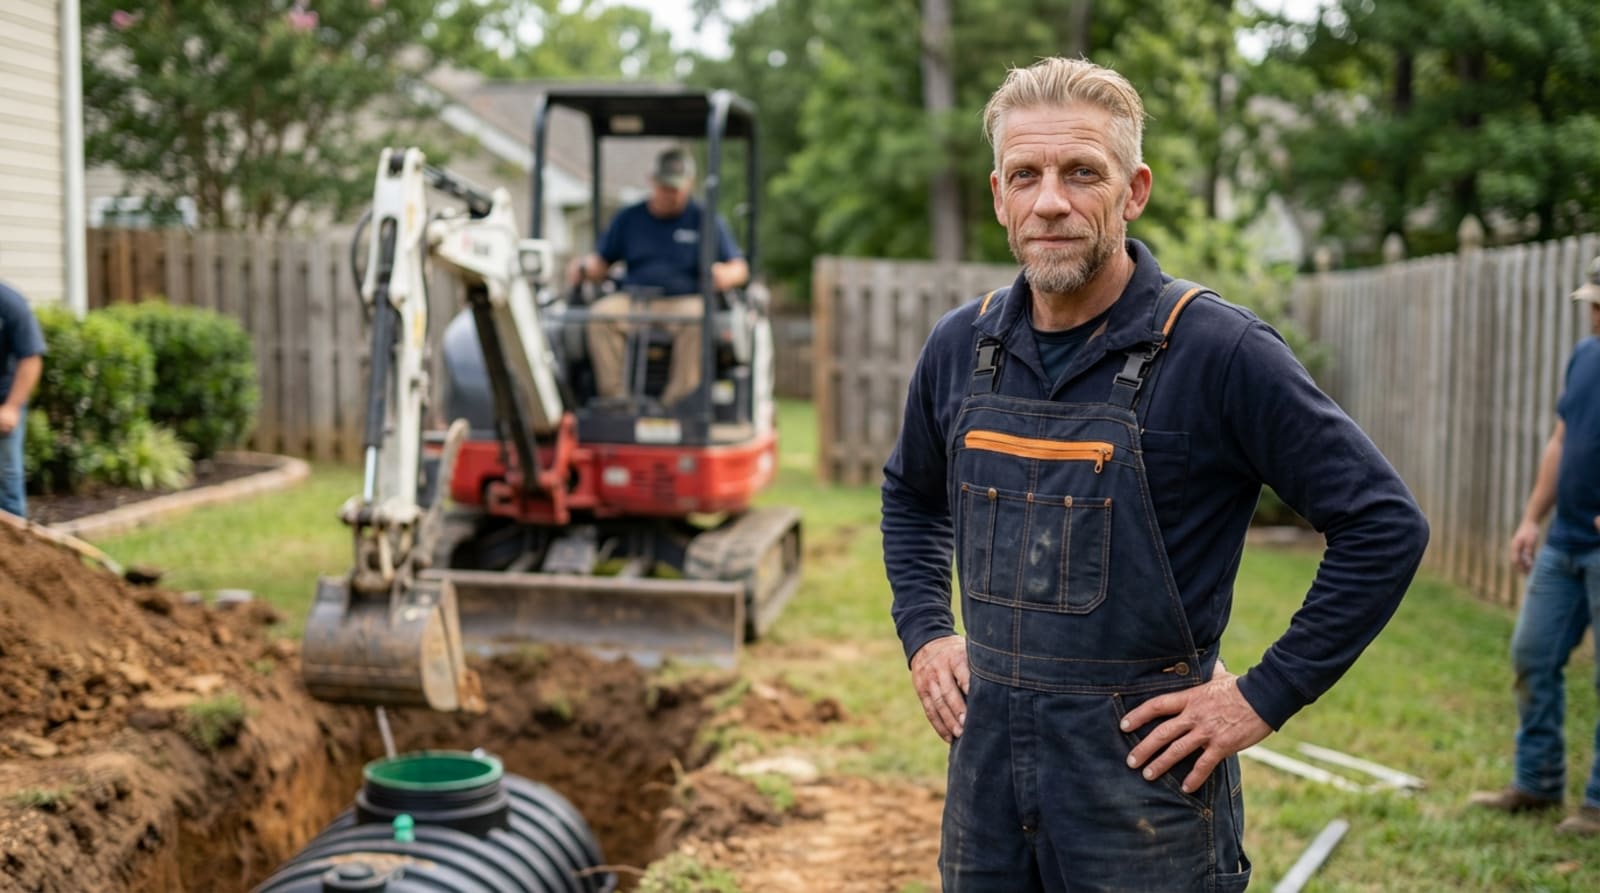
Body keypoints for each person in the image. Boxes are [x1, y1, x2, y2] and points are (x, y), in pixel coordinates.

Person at [880, 57, 1430, 891]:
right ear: (998, 196)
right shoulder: (963, 345)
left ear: (1134, 190)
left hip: (1143, 790)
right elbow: (911, 495)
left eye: (1082, 172)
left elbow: (1384, 524)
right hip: (986, 782)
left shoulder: (1220, 351)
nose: (1050, 201)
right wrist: (926, 631)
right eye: (1025, 175)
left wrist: (1260, 696)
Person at [1469, 258, 1600, 836]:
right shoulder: (1586, 356)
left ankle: (1597, 805)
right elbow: (1561, 439)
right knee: (1533, 654)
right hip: (1564, 538)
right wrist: (1530, 518)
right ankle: (1538, 782)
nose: (1594, 314)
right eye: (1593, 303)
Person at [576, 147, 748, 408]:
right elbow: (602, 262)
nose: (670, 194)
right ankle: (616, 400)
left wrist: (726, 274)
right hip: (635, 299)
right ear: (652, 181)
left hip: (684, 300)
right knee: (601, 315)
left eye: (676, 189)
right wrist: (583, 268)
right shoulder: (629, 218)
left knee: (698, 318)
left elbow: (739, 267)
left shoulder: (704, 219)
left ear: (689, 185)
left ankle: (675, 403)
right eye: (665, 187)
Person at [0, 279, 44, 518]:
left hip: (4, 400)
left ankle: (13, 536)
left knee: (6, 478)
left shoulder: (9, 304)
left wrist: (12, 407)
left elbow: (31, 357)